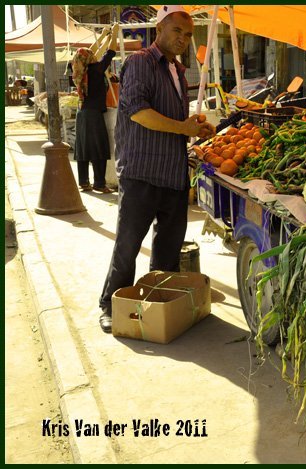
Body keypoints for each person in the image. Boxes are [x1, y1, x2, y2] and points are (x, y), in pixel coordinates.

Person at [97, 5, 215, 333]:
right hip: (141, 172)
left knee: (167, 250)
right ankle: (110, 304)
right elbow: (137, 111)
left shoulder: (178, 70)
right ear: (160, 28)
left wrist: (195, 128)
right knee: (129, 244)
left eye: (189, 34)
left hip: (173, 174)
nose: (183, 39)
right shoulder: (140, 63)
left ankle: (155, 304)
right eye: (177, 31)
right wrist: (183, 128)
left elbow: (177, 123)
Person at [71, 24, 119, 193]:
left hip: (81, 112)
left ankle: (84, 182)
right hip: (93, 114)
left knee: (83, 147)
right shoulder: (95, 70)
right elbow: (110, 52)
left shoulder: (80, 70)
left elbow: (90, 53)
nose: (94, 56)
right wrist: (114, 35)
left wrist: (104, 35)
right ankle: (99, 183)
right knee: (99, 147)